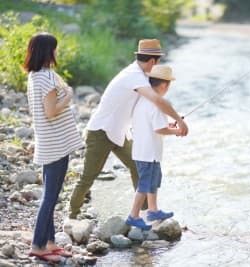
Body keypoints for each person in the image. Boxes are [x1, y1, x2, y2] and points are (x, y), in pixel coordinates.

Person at [69, 39, 188, 219]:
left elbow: (140, 110)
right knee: (89, 176)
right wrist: (180, 120)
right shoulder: (135, 76)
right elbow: (157, 100)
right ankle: (72, 215)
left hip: (120, 132)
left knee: (135, 166)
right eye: (158, 62)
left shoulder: (137, 75)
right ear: (152, 61)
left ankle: (148, 212)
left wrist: (164, 125)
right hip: (101, 132)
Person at [24, 32, 83, 263]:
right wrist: (68, 95)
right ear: (49, 51)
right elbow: (51, 111)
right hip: (56, 144)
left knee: (50, 195)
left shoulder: (36, 75)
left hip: (48, 142)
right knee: (50, 197)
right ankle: (38, 245)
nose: (57, 52)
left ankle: (49, 243)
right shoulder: (46, 77)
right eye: (55, 48)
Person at [126, 65, 179, 230]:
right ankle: (133, 216)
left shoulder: (143, 100)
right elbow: (159, 129)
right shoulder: (158, 105)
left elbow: (151, 124)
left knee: (153, 181)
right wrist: (177, 130)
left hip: (144, 151)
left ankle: (153, 210)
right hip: (148, 153)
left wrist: (169, 124)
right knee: (145, 185)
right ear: (164, 85)